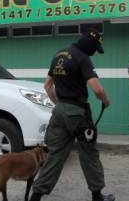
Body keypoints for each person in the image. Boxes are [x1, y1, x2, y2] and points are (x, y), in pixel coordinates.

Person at [29, 28, 115, 201]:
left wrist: (59, 105)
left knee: (54, 155)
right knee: (89, 154)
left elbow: (47, 86)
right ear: (90, 43)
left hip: (59, 112)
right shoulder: (83, 58)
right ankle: (97, 196)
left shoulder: (58, 55)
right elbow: (97, 89)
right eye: (95, 48)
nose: (95, 52)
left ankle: (35, 197)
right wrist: (106, 101)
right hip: (79, 114)